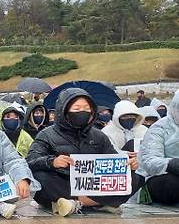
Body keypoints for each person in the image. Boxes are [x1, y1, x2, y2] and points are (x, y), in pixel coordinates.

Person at [26, 88, 141, 217]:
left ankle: (74, 203)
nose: (82, 112)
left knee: (134, 178)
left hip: (94, 184)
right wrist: (52, 162)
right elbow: (31, 161)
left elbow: (112, 158)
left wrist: (126, 165)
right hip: (63, 181)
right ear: (64, 111)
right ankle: (101, 203)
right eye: (76, 109)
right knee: (40, 178)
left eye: (87, 108)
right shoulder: (46, 134)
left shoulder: (99, 136)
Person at [137, 89, 179, 205]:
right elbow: (148, 161)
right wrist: (171, 163)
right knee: (172, 183)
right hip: (161, 175)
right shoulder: (159, 128)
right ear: (174, 109)